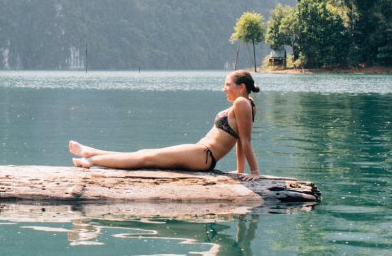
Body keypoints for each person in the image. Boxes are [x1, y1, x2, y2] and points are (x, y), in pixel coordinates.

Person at [69, 70, 261, 180]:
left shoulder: (242, 103)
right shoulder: (245, 104)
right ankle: (91, 152)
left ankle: (93, 161)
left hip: (205, 155)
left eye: (227, 84)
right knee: (144, 153)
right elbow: (239, 141)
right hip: (201, 153)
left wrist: (254, 173)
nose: (224, 88)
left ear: (241, 87)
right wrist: (240, 171)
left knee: (145, 157)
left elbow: (245, 141)